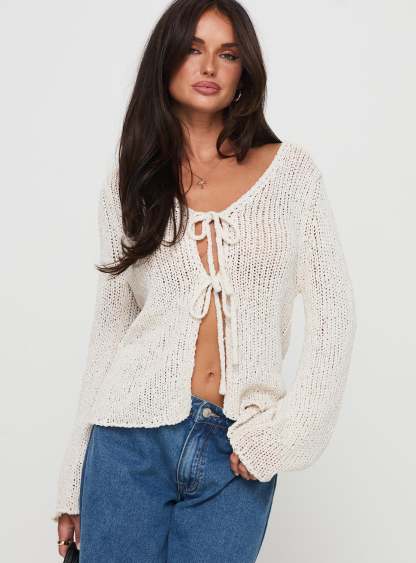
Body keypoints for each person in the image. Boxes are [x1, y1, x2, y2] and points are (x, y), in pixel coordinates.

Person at [54, 1, 357, 561]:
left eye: (228, 54)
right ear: (166, 60)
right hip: (126, 443)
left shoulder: (291, 174)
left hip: (236, 449)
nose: (210, 66)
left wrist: (285, 437)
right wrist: (73, 480)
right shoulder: (130, 181)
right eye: (193, 49)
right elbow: (110, 330)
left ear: (246, 71)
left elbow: (335, 318)